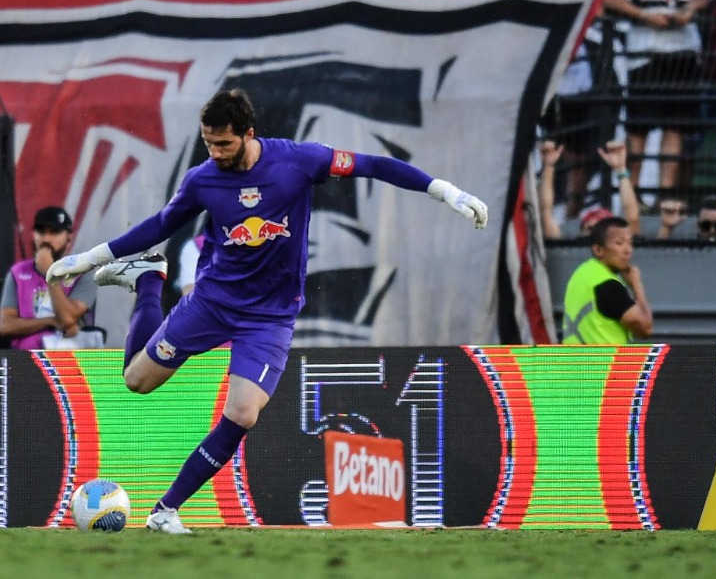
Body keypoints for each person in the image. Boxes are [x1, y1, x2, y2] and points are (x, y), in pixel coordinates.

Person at [42, 88, 489, 533]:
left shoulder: (299, 161)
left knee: (243, 413)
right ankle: (148, 280)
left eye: (224, 144)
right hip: (213, 302)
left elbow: (373, 165)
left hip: (270, 317)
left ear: (249, 134)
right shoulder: (203, 179)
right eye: (208, 143)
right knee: (136, 382)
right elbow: (162, 223)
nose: (215, 152)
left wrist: (443, 191)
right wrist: (91, 257)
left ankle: (165, 510)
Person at [606, 0, 711, 193]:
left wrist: (689, 10)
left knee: (674, 126)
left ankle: (663, 193)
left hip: (683, 48)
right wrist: (645, 16)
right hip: (644, 49)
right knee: (638, 127)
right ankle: (631, 192)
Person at [0, 206, 99, 349]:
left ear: (69, 238)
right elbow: (6, 326)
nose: (46, 239)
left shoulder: (83, 273)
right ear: (34, 235)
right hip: (24, 361)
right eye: (41, 232)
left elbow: (67, 319)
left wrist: (50, 274)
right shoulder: (18, 273)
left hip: (69, 361)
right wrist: (50, 321)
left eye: (54, 232)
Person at [561, 215, 653, 343]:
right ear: (598, 250)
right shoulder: (607, 285)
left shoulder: (582, 273)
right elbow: (645, 329)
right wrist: (636, 285)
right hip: (604, 362)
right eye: (619, 243)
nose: (628, 250)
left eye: (630, 243)